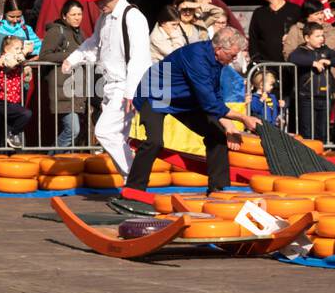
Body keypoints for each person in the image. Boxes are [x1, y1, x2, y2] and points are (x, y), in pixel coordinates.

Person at [110, 30, 262, 214]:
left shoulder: (218, 59)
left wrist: (227, 124)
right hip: (159, 92)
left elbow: (214, 93)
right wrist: (243, 118)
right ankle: (132, 192)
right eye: (232, 55)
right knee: (154, 142)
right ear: (220, 49)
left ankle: (219, 190)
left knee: (216, 135)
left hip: (184, 99)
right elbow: (208, 101)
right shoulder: (197, 57)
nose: (234, 58)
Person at [61, 0, 152, 178]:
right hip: (110, 85)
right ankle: (131, 181)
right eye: (96, 0)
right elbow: (94, 44)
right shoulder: (104, 18)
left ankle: (135, 177)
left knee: (104, 132)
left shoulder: (133, 17)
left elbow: (140, 57)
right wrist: (73, 59)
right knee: (117, 136)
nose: (99, 4)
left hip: (127, 84)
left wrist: (131, 91)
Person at [39, 0, 88, 148]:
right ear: (64, 16)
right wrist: (71, 55)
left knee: (75, 132)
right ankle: (51, 159)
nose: (77, 17)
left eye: (79, 14)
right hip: (62, 89)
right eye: (73, 14)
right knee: (73, 130)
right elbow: (44, 56)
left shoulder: (81, 34)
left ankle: (61, 163)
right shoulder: (56, 31)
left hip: (77, 89)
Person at [287, 21, 335, 142]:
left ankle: (322, 156)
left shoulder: (326, 50)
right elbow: (292, 57)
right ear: (307, 38)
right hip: (307, 97)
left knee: (323, 131)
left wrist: (330, 62)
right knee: (307, 131)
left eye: (322, 35)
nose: (321, 39)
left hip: (324, 97)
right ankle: (307, 157)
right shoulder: (301, 50)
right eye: (318, 36)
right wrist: (313, 63)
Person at [0, 35, 34, 148]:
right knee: (26, 113)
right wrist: (23, 53)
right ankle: (13, 134)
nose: (19, 51)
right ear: (6, 49)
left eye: (20, 48)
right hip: (3, 101)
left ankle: (9, 149)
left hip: (14, 100)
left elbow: (27, 78)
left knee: (7, 135)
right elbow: (11, 64)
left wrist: (26, 68)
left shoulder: (18, 58)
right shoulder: (5, 57)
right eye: (17, 49)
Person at [248, 0, 302, 64]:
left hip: (291, 66)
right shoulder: (258, 13)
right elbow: (253, 40)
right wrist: (257, 61)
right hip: (265, 66)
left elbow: (305, 36)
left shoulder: (295, 11)